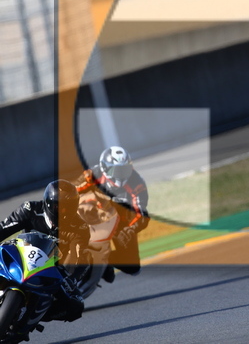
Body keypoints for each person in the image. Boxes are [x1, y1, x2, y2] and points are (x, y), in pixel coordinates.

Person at [0, 180, 89, 340]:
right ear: (48, 204)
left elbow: (81, 258)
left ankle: (30, 319)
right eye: (60, 207)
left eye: (69, 207)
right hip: (22, 255)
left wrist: (72, 278)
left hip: (52, 267)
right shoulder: (30, 209)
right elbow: (3, 228)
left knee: (75, 306)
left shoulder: (80, 227)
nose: (65, 212)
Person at [75, 146, 150, 282]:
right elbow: (70, 191)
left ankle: (104, 262)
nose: (121, 175)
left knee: (133, 267)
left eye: (125, 170)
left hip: (121, 223)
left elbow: (142, 214)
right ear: (104, 168)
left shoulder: (137, 183)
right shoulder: (92, 175)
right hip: (94, 217)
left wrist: (129, 230)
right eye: (116, 170)